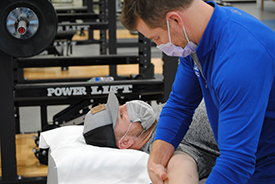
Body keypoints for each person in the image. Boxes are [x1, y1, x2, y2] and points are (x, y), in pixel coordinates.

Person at [120, 0, 275, 183]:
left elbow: (236, 163)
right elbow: (180, 104)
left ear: (175, 20)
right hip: (251, 160)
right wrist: (156, 160)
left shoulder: (240, 61)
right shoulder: (195, 41)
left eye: (156, 38)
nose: (158, 45)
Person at [83, 90, 219, 183]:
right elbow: (182, 172)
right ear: (125, 142)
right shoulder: (163, 150)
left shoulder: (150, 119)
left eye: (121, 105)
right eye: (122, 115)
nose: (128, 105)